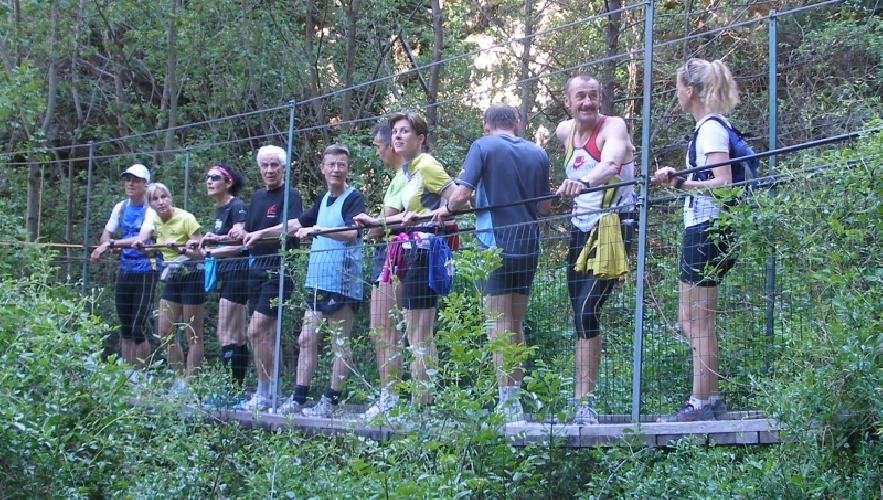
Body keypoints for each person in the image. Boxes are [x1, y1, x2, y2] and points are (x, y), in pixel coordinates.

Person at [445, 104, 551, 421]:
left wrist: (446, 209)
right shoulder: (538, 153)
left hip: (493, 247)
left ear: (485, 125)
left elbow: (461, 195)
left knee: (498, 327)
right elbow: (544, 207)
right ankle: (514, 399)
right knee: (515, 324)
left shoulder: (482, 146)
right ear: (516, 124)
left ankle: (507, 405)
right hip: (528, 246)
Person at [651, 58, 739, 422]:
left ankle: (700, 403)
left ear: (690, 91)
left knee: (697, 321)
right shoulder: (705, 129)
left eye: (677, 87)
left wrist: (681, 183)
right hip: (701, 228)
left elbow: (724, 182)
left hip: (709, 228)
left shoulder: (711, 130)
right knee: (690, 318)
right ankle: (709, 396)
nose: (676, 94)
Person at [354, 111, 455, 408]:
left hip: (424, 253)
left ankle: (421, 408)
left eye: (404, 132)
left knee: (418, 335)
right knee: (411, 333)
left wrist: (431, 215)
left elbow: (457, 199)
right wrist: (376, 221)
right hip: (407, 252)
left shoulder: (427, 165)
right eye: (395, 132)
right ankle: (408, 404)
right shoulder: (409, 171)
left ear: (420, 138)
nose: (397, 136)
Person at [555, 74, 636, 424]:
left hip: (613, 227)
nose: (587, 102)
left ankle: (585, 404)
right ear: (567, 101)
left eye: (593, 96)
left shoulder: (613, 126)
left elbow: (611, 162)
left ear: (600, 99)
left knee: (588, 310)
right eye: (580, 97)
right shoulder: (565, 131)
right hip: (579, 229)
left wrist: (584, 183)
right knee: (578, 314)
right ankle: (579, 400)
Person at [273, 145, 366, 417]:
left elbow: (351, 233)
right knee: (306, 337)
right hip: (318, 279)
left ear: (348, 169)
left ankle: (330, 401)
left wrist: (318, 230)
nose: (336, 169)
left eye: (341, 165)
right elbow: (294, 224)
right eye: (331, 165)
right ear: (322, 169)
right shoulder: (322, 199)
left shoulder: (354, 198)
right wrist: (258, 234)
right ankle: (299, 398)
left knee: (340, 341)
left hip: (343, 280)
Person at [232, 145, 303, 411]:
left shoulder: (290, 195)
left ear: (284, 168)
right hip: (256, 269)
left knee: (254, 330)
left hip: (279, 270)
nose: (270, 170)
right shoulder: (258, 197)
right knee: (266, 335)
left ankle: (264, 392)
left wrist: (261, 234)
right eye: (265, 166)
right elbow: (248, 229)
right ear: (260, 169)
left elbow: (293, 225)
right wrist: (238, 229)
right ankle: (270, 392)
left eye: (275, 165)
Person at [90, 164, 159, 383]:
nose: (130, 184)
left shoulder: (151, 209)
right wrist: (111, 244)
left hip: (146, 270)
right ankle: (127, 376)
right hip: (125, 270)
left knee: (139, 325)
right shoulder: (120, 208)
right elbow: (104, 236)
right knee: (125, 325)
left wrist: (112, 243)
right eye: (127, 179)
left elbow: (142, 238)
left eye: (136, 180)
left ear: (145, 185)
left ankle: (142, 375)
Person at [134, 183, 205, 394]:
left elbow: (201, 253)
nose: (161, 201)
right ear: (150, 204)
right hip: (172, 276)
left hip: (192, 273)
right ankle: (179, 379)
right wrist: (142, 244)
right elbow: (146, 238)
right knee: (164, 331)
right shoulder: (155, 221)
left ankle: (191, 385)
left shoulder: (186, 218)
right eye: (155, 199)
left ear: (170, 197)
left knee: (193, 333)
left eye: (163, 196)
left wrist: (180, 248)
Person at [362, 122, 408, 418]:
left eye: (379, 148)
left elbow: (387, 221)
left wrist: (370, 225)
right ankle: (388, 396)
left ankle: (390, 399)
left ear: (391, 145)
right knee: (381, 329)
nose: (378, 154)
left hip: (395, 255)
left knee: (384, 328)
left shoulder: (408, 176)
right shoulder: (399, 178)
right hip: (389, 254)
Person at [199, 163, 250, 403]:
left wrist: (212, 251)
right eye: (207, 177)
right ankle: (235, 391)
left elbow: (240, 242)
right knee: (236, 334)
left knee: (226, 332)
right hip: (228, 272)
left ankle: (231, 391)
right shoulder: (220, 209)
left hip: (238, 273)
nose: (209, 181)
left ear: (228, 182)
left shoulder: (236, 206)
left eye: (215, 178)